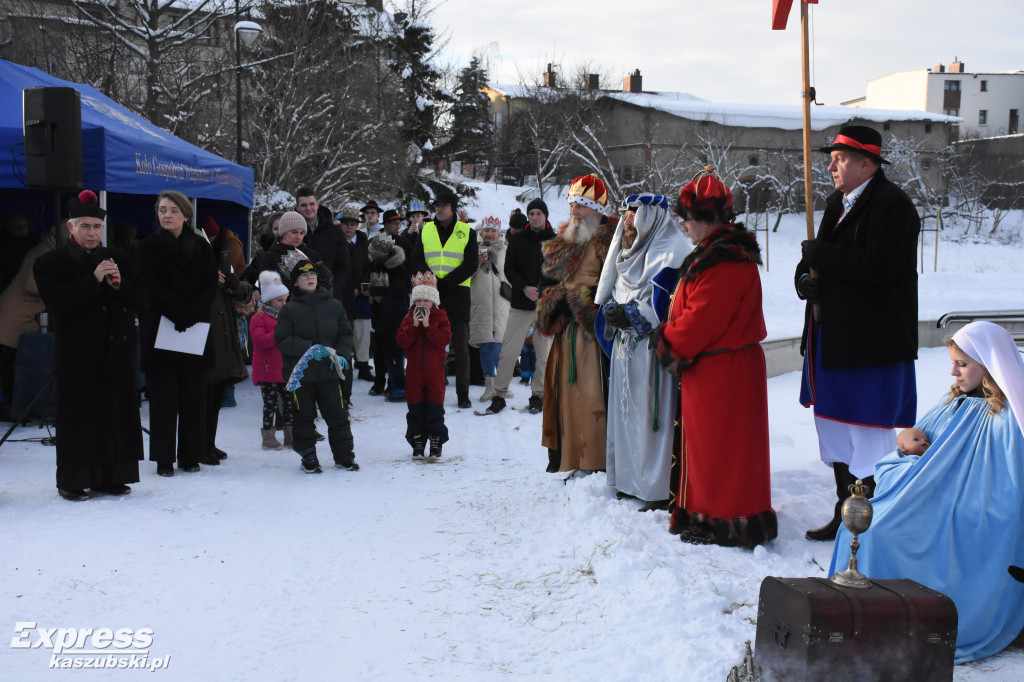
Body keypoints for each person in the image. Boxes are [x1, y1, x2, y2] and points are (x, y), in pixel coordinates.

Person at [830, 321, 1024, 664]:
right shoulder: (952, 403)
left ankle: (890, 628)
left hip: (965, 513)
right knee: (856, 529)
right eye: (953, 363)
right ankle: (856, 621)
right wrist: (908, 464)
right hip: (920, 499)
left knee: (879, 536)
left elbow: (1007, 493)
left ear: (989, 365)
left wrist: (944, 491)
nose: (953, 372)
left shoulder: (1007, 419)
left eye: (962, 364)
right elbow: (904, 451)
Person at [796, 125, 921, 541]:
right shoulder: (836, 203)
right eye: (831, 158)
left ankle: (870, 521)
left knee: (866, 433)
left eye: (841, 159)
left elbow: (878, 266)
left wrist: (822, 257)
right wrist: (805, 281)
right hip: (833, 340)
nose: (831, 166)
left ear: (867, 164)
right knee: (836, 431)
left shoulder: (893, 206)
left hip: (871, 345)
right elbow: (814, 264)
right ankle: (844, 511)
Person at [656, 168, 776, 548]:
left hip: (725, 372)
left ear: (706, 218)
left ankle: (724, 520)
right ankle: (707, 513)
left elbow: (701, 321)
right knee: (711, 449)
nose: (684, 227)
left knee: (723, 451)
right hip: (715, 368)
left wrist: (665, 339)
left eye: (687, 219)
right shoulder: (714, 253)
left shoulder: (725, 261)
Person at [32, 190, 144, 500]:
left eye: (96, 227)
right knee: (79, 416)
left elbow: (141, 297)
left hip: (117, 351)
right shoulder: (50, 262)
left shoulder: (119, 258)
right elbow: (57, 303)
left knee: (116, 413)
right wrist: (92, 279)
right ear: (71, 228)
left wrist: (121, 285)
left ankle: (112, 476)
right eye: (85, 227)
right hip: (78, 353)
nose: (92, 233)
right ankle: (73, 480)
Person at [595, 193, 690, 511]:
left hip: (652, 350)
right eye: (624, 213)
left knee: (651, 419)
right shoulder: (627, 250)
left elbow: (669, 304)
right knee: (625, 416)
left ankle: (654, 488)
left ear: (652, 216)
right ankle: (628, 481)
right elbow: (614, 288)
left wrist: (633, 315)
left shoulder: (672, 250)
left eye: (633, 213)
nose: (626, 219)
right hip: (625, 348)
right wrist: (612, 310)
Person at [536, 174, 615, 474]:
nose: (575, 212)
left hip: (594, 332)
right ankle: (570, 460)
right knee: (565, 397)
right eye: (572, 205)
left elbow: (617, 286)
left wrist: (582, 301)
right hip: (566, 328)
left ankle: (595, 461)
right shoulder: (565, 239)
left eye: (581, 206)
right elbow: (546, 280)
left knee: (592, 396)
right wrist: (553, 302)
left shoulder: (611, 241)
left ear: (597, 209)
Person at [139, 190, 218, 476]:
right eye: (162, 210)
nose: (167, 215)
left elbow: (210, 284)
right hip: (162, 327)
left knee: (193, 396)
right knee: (163, 398)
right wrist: (178, 312)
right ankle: (164, 458)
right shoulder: (148, 246)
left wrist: (192, 313)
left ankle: (190, 455)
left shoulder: (201, 246)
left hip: (194, 328)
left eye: (173, 210)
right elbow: (150, 286)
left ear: (186, 214)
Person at [274, 250, 357, 474]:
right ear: (295, 282)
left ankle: (344, 456)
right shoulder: (289, 310)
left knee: (338, 415)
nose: (309, 278)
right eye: (303, 275)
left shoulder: (334, 305)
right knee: (303, 417)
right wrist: (309, 348)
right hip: (301, 376)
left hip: (329, 374)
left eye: (312, 274)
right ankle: (308, 457)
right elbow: (282, 340)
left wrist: (341, 354)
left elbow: (345, 333)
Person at [486, 198, 555, 415]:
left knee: (544, 355)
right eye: (531, 213)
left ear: (545, 216)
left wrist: (542, 291)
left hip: (544, 306)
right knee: (509, 352)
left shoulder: (555, 240)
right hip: (520, 304)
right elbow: (509, 268)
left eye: (538, 213)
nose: (534, 217)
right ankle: (499, 394)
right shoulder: (518, 239)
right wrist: (524, 287)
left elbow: (559, 272)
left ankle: (538, 396)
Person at [410, 192, 479, 409]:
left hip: (457, 293)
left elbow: (471, 264)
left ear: (453, 207)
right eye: (437, 205)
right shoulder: (426, 229)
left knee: (461, 347)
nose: (439, 208)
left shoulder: (467, 231)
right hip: (429, 294)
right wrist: (431, 280)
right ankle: (429, 389)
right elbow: (416, 259)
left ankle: (463, 393)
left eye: (444, 205)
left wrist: (448, 281)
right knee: (427, 343)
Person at [396, 271, 452, 460]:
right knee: (415, 409)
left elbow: (443, 340)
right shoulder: (408, 317)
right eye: (418, 301)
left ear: (433, 302)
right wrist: (414, 325)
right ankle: (418, 441)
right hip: (414, 373)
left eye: (426, 301)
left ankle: (436, 441)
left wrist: (428, 326)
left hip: (435, 373)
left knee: (435, 408)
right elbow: (402, 341)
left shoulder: (441, 317)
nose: (422, 304)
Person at [0, 232, 54, 422]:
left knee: (11, 362)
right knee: (9, 363)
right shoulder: (43, 252)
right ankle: (10, 408)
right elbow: (31, 285)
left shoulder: (44, 250)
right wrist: (56, 290)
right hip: (14, 314)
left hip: (21, 315)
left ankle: (12, 407)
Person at [366, 213, 410, 401]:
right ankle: (382, 383)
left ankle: (397, 387)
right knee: (381, 352)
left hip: (391, 321)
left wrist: (381, 324)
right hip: (382, 319)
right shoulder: (378, 265)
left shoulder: (396, 272)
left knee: (394, 356)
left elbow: (391, 302)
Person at [251, 270, 294, 450]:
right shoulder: (259, 317)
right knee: (270, 405)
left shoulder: (288, 316)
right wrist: (279, 333)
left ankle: (291, 436)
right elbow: (259, 341)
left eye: (285, 300)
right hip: (268, 370)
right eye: (279, 300)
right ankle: (268, 438)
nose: (284, 304)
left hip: (285, 369)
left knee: (290, 403)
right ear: (269, 301)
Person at [470, 216, 511, 403]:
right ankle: (490, 386)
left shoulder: (506, 251)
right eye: (486, 230)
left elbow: (513, 274)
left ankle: (502, 385)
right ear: (481, 232)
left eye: (493, 231)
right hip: (480, 303)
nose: (490, 234)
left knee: (501, 346)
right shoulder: (472, 250)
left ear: (498, 233)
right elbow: (465, 274)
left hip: (502, 303)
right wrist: (476, 263)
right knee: (486, 345)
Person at [337, 206, 374, 387]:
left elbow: (369, 267)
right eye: (346, 224)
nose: (349, 227)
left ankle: (363, 363)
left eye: (352, 224)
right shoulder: (335, 241)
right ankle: (343, 364)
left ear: (357, 225)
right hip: (341, 291)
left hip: (360, 292)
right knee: (342, 329)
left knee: (363, 329)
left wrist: (363, 286)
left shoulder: (364, 243)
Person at [297, 186, 350, 303]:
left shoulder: (335, 233)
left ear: (317, 204)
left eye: (311, 204)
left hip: (329, 297)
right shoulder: (290, 233)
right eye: (304, 205)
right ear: (297, 207)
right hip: (298, 298)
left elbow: (344, 267)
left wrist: (332, 290)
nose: (308, 208)